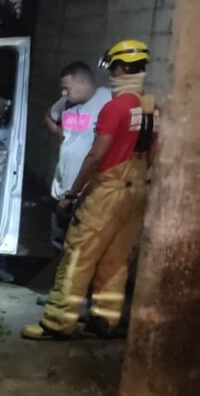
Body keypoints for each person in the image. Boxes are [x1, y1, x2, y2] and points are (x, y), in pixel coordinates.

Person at [23, 39, 157, 340]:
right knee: (116, 260)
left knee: (77, 257)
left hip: (107, 192)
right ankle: (103, 322)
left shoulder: (114, 107)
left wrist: (72, 194)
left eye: (113, 68)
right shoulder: (151, 108)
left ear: (121, 68)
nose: (111, 72)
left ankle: (57, 323)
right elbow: (153, 155)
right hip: (137, 192)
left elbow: (96, 155)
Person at [45, 61, 112, 249]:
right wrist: (63, 134)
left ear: (83, 82)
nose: (63, 93)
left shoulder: (107, 101)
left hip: (84, 194)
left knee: (79, 248)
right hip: (60, 190)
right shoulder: (66, 103)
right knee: (58, 243)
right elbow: (49, 116)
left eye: (67, 88)